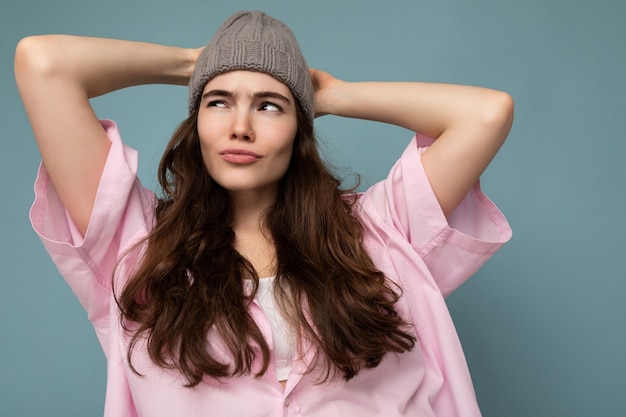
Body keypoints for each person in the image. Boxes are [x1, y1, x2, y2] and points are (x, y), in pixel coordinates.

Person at [15, 10, 513, 417]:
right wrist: (197, 62)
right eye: (218, 102)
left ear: (302, 128)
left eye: (270, 106)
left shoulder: (377, 232)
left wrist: (330, 94)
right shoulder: (138, 247)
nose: (240, 127)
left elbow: (485, 114)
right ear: (197, 122)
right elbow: (43, 63)